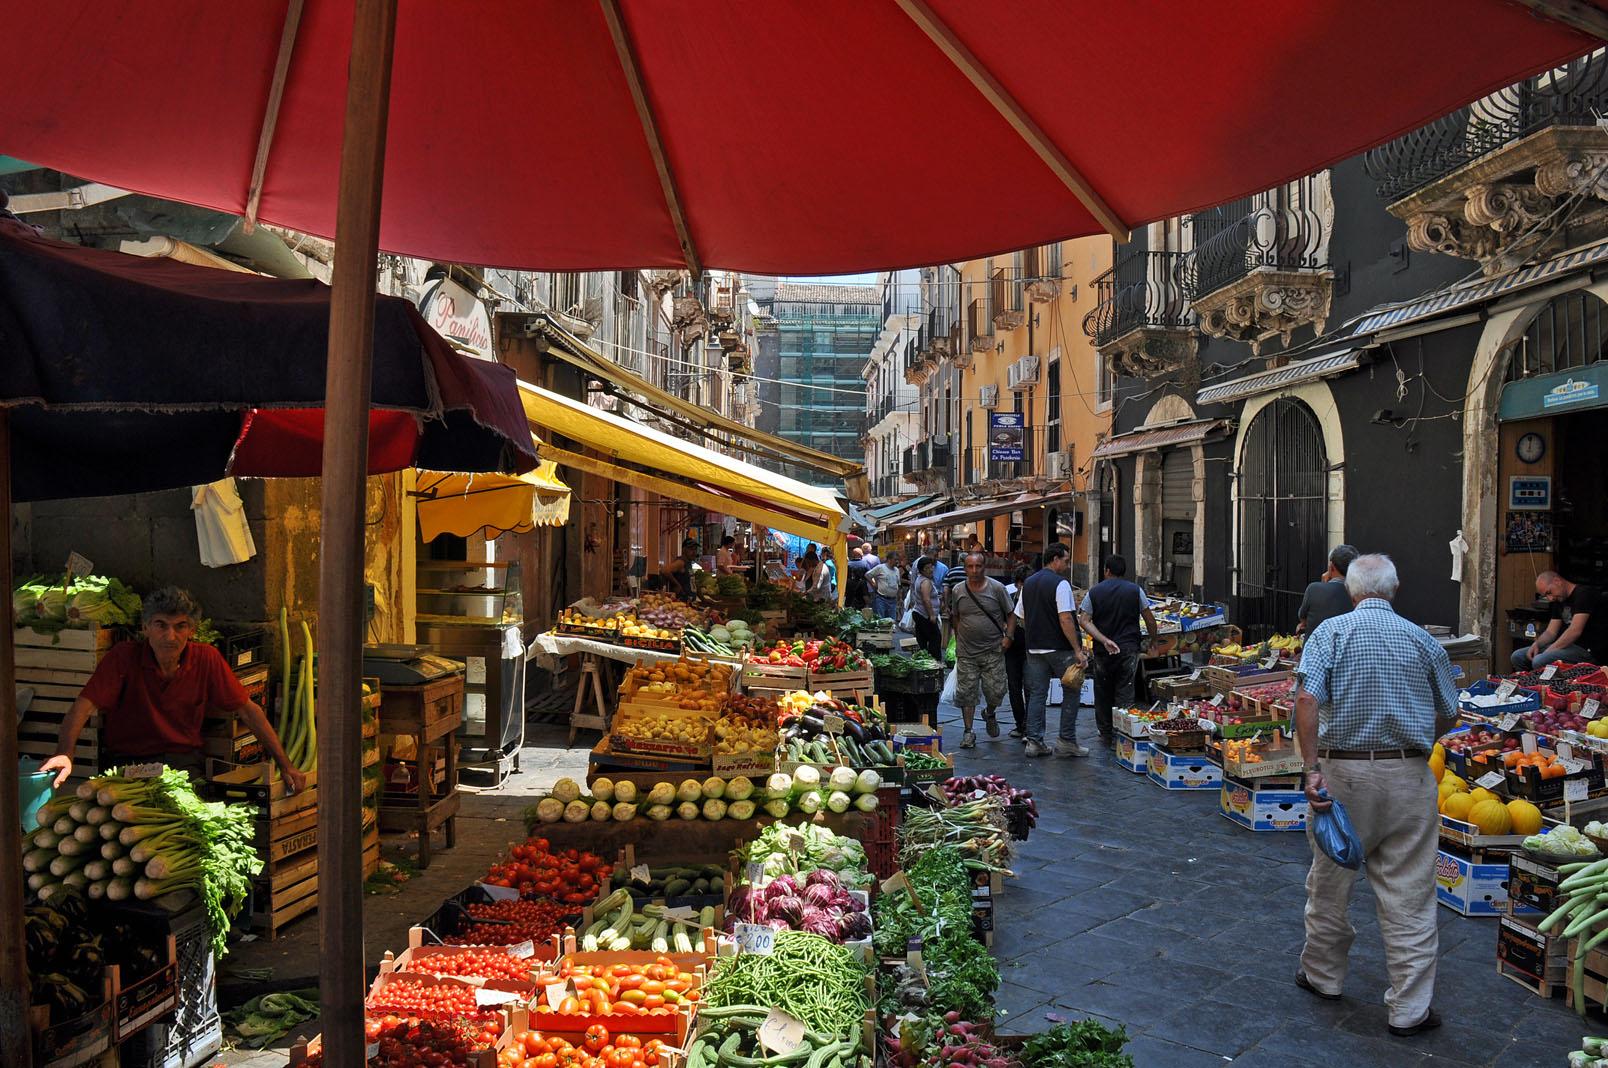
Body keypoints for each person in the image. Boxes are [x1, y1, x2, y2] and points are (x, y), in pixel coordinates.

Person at [1294, 554, 1456, 1037]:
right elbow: (1449, 711)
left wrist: (1310, 769)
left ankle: (1323, 977)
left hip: (1343, 775)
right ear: (1396, 588)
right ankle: (1409, 1010)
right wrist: (1417, 731)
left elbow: (1306, 698)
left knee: (1329, 881)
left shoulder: (1330, 634)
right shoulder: (1424, 640)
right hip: (1408, 773)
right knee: (1410, 893)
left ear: (1350, 590)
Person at [41, 586, 307, 792]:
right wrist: (65, 752)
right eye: (161, 626)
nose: (170, 636)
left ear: (191, 631)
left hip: (183, 762)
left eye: (180, 626)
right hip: (126, 763)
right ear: (145, 628)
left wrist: (286, 766)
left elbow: (249, 713)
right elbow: (82, 707)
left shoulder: (207, 658)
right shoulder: (123, 657)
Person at [1014, 542, 1089, 757]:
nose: (1067, 565)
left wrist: (1035, 634)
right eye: (1065, 560)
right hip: (1059, 647)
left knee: (1037, 693)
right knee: (1072, 690)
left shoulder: (1028, 583)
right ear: (1055, 559)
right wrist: (1077, 649)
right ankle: (1066, 740)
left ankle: (1034, 742)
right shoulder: (1061, 584)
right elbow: (1065, 618)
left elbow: (1023, 617)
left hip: (1034, 647)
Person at [1078, 554, 1159, 746]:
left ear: (1107, 570)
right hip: (1128, 647)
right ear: (1124, 572)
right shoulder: (1135, 590)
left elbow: (1084, 620)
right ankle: (1123, 731)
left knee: (1103, 689)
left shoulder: (1095, 591)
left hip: (1102, 650)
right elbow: (1149, 619)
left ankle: (1105, 731)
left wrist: (1103, 640)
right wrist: (1154, 640)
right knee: (1125, 689)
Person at [942, 552, 1016, 748]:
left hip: (993, 650)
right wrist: (958, 640)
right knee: (966, 693)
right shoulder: (958, 590)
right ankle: (968, 731)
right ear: (965, 568)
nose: (974, 571)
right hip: (967, 651)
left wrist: (1008, 637)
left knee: (997, 691)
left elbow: (1011, 614)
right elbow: (956, 617)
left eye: (978, 567)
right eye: (970, 567)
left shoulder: (997, 588)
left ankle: (989, 712)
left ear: (985, 567)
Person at [1513, 570, 1607, 669]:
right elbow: (1551, 632)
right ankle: (1529, 683)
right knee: (1518, 657)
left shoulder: (1584, 594)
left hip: (1588, 650)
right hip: (1569, 646)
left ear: (1557, 581)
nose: (1550, 598)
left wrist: (1548, 651)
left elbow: (1574, 631)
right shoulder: (1558, 600)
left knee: (1540, 660)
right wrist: (1536, 644)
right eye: (1546, 596)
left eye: (1549, 592)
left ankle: (1544, 684)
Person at [1297, 544, 1360, 635]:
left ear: (1331, 566)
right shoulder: (1360, 594)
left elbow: (1303, 618)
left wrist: (1324, 584)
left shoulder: (1314, 589)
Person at [1002, 564, 1030, 738]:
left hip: (1029, 648)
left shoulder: (1033, 597)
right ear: (1019, 583)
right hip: (1012, 649)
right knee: (1013, 687)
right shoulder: (1009, 596)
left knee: (1029, 687)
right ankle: (1020, 724)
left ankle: (1029, 725)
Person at [908, 557, 944, 659]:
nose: (930, 570)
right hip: (924, 615)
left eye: (931, 567)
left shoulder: (922, 580)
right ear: (921, 570)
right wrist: (932, 615)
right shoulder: (925, 582)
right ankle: (934, 660)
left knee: (922, 639)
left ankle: (924, 660)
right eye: (927, 568)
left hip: (920, 613)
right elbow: (926, 599)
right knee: (935, 638)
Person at [867, 552, 904, 620]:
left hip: (893, 600)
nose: (897, 562)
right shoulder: (881, 567)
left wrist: (900, 598)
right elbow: (867, 575)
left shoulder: (896, 570)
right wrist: (873, 583)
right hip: (881, 599)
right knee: (881, 620)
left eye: (898, 560)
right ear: (889, 559)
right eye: (895, 559)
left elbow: (898, 584)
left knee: (892, 621)